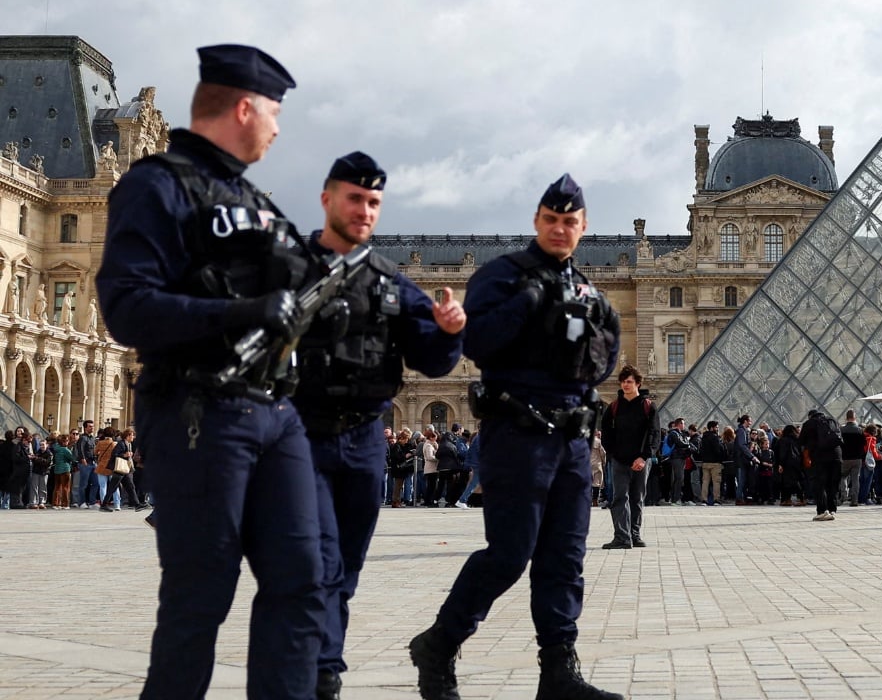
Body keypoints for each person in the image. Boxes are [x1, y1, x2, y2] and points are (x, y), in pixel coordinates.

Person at [95, 44, 328, 699]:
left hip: (275, 414)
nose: (280, 130)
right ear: (245, 108)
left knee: (304, 582)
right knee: (200, 598)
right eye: (275, 113)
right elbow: (127, 308)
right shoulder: (156, 186)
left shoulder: (255, 200)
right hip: (201, 410)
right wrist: (244, 311)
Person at [409, 173, 622, 700]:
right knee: (509, 554)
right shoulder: (502, 276)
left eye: (570, 221)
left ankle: (559, 673)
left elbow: (605, 361)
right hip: (518, 433)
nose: (560, 228)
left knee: (565, 559)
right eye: (551, 220)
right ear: (537, 221)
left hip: (571, 441)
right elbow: (476, 341)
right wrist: (527, 303)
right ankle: (440, 643)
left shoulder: (591, 294)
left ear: (583, 227)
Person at [289, 151, 465, 699]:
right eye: (354, 198)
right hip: (302, 435)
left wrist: (449, 331)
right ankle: (317, 673)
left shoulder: (392, 285)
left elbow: (434, 362)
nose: (364, 210)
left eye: (373, 202)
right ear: (327, 199)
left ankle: (325, 674)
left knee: (345, 566)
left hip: (366, 438)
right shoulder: (288, 271)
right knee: (315, 561)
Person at [600, 364, 659, 549]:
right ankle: (621, 536)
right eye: (623, 381)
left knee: (637, 498)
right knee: (619, 498)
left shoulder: (649, 406)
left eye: (629, 382)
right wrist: (614, 455)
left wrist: (644, 457)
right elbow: (606, 434)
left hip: (641, 461)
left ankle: (634, 534)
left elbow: (654, 433)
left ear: (638, 384)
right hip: (619, 460)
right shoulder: (613, 407)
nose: (625, 385)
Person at [799, 408, 842, 521]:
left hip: (819, 457)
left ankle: (822, 511)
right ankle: (832, 509)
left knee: (819, 484)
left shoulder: (809, 424)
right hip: (836, 456)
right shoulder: (833, 421)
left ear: (810, 416)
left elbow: (801, 441)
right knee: (832, 484)